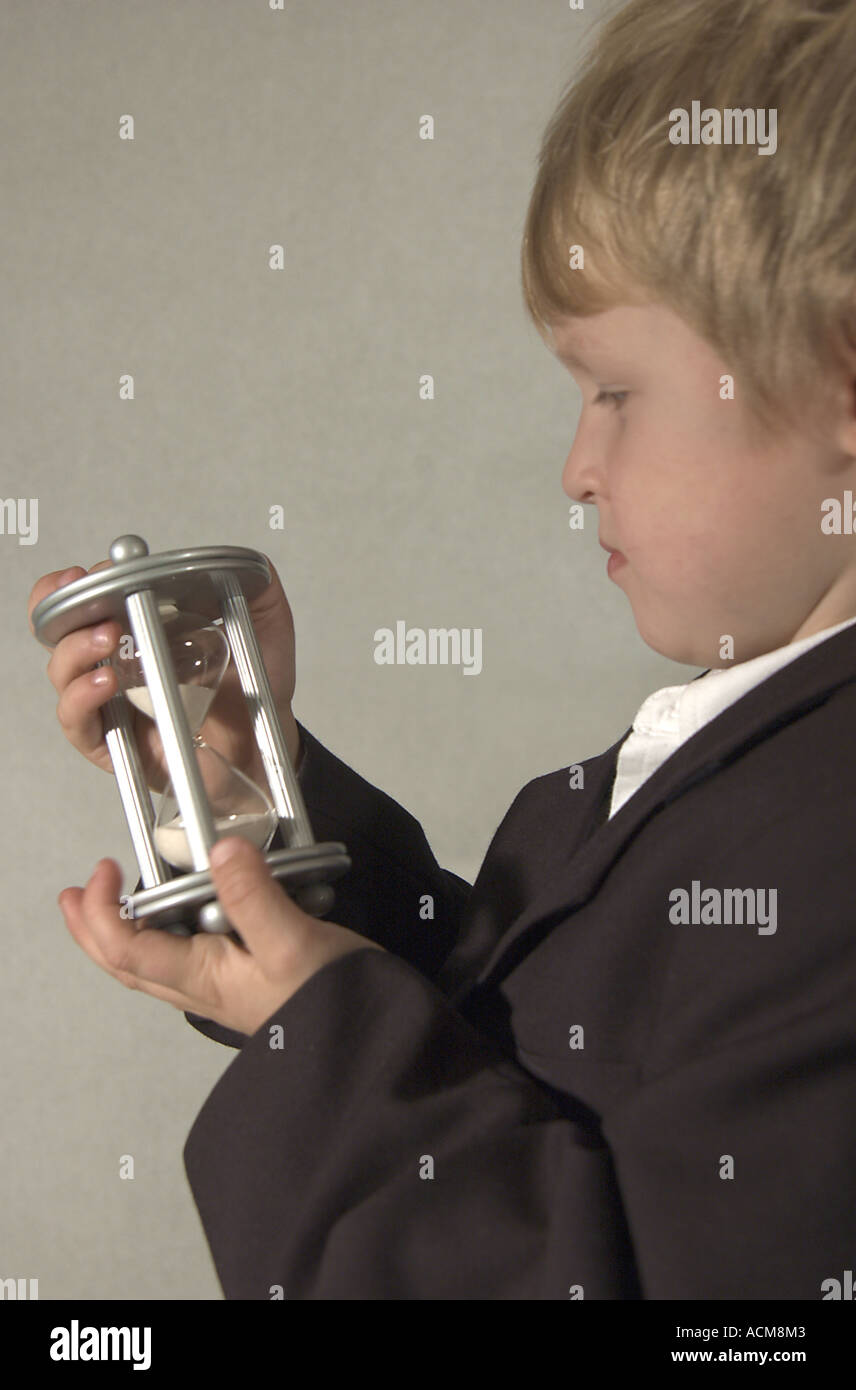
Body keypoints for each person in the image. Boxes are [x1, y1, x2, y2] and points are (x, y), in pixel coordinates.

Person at [28, 0, 856, 1298]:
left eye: (616, 393)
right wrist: (253, 794)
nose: (578, 469)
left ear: (839, 382)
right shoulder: (751, 744)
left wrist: (328, 1038)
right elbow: (521, 1043)